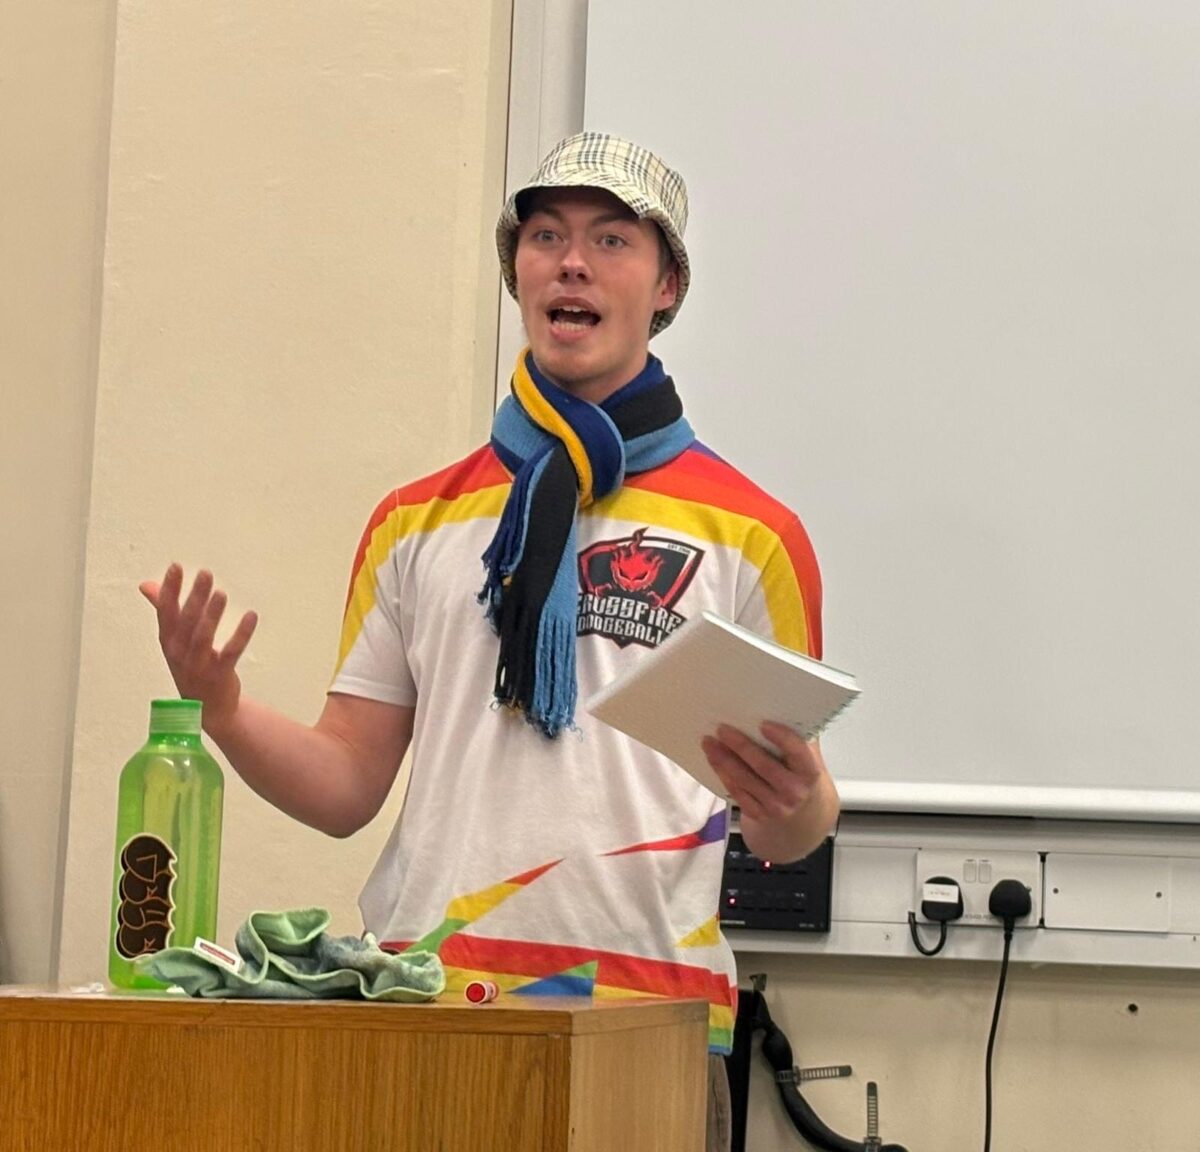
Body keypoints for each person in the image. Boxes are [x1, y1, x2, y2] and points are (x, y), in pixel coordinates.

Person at [141, 131, 839, 1152]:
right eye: (545, 235)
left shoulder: (751, 533)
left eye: (611, 239)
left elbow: (790, 828)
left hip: (647, 1017)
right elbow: (345, 787)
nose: (571, 261)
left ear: (668, 286)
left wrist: (801, 804)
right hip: (426, 1002)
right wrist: (227, 712)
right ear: (517, 272)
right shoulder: (417, 521)